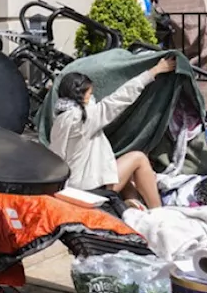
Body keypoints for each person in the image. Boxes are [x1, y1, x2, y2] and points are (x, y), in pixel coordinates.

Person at [49, 57, 177, 209]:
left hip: (70, 188)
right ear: (81, 95)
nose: (92, 98)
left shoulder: (60, 119)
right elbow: (119, 99)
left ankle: (132, 206)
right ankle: (158, 211)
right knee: (139, 158)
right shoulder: (83, 119)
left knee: (121, 167)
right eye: (90, 94)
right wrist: (155, 71)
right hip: (89, 191)